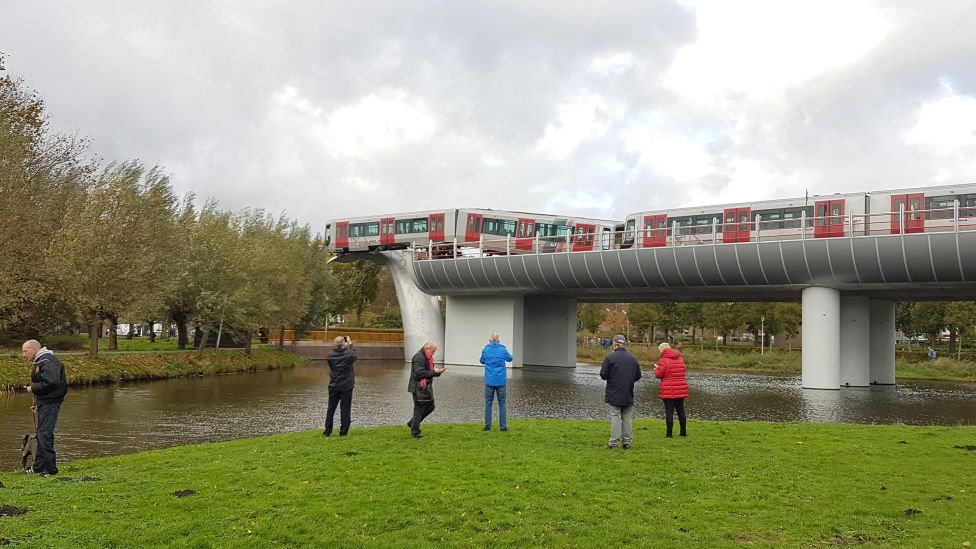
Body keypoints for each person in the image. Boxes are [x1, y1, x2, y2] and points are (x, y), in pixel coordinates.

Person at [22, 339, 68, 475]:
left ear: (34, 349)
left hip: (51, 402)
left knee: (44, 434)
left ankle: (50, 469)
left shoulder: (47, 360)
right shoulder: (42, 360)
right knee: (41, 433)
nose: (24, 355)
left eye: (25, 351)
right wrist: (37, 403)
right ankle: (38, 467)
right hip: (45, 401)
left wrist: (33, 388)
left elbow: (52, 382)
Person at [599, 334, 641, 449]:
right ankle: (627, 442)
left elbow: (603, 375)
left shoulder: (610, 358)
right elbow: (638, 376)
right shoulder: (633, 358)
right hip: (628, 392)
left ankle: (614, 443)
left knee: (615, 416)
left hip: (614, 392)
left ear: (614, 344)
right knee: (627, 418)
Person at [407, 341, 446, 438]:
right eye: (432, 352)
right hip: (418, 387)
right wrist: (434, 372)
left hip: (425, 387)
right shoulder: (419, 357)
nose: (433, 354)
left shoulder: (427, 357)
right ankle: (415, 432)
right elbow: (419, 373)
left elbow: (427, 371)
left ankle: (412, 423)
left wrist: (437, 372)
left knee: (430, 407)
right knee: (419, 409)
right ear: (427, 349)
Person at [480, 332, 513, 432]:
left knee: (488, 403)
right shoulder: (503, 349)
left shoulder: (486, 349)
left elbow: (481, 361)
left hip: (489, 381)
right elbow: (510, 358)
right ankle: (503, 427)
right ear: (499, 340)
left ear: (490, 340)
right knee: (502, 404)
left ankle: (487, 426)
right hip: (501, 381)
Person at [654, 342, 689, 438]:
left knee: (669, 411)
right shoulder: (680, 359)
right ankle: (683, 432)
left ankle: (669, 434)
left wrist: (656, 369)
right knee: (681, 411)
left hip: (668, 389)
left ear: (662, 350)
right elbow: (682, 371)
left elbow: (659, 375)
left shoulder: (663, 361)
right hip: (681, 388)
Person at [324, 335, 356, 437]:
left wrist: (344, 346)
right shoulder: (349, 355)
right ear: (344, 344)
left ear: (334, 344)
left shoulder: (330, 355)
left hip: (333, 385)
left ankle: (328, 431)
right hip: (346, 385)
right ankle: (343, 432)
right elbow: (354, 354)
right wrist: (350, 344)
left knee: (331, 408)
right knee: (345, 409)